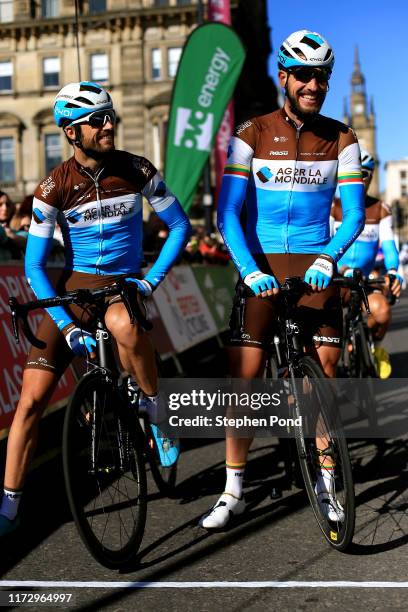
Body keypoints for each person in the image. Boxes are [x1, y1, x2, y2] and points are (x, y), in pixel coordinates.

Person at [0, 81, 191, 537]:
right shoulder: (53, 186)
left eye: (110, 117)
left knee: (124, 322)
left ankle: (155, 411)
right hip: (75, 291)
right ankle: (8, 505)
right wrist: (65, 325)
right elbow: (34, 266)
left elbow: (180, 225)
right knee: (30, 401)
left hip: (122, 286)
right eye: (96, 121)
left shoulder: (137, 168)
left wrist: (149, 281)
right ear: (71, 132)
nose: (108, 126)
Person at [200, 30, 365, 529]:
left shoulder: (343, 138)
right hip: (261, 265)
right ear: (285, 77)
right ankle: (234, 489)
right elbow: (228, 213)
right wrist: (249, 267)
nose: (315, 84)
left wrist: (330, 257)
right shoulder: (250, 131)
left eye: (323, 76)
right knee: (244, 380)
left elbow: (354, 216)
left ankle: (328, 480)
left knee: (325, 376)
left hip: (316, 264)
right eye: (306, 75)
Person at [331, 149, 402, 378]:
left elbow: (389, 246)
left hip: (363, 281)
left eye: (364, 174)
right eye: (352, 173)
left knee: (382, 312)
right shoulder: (332, 206)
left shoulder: (381, 209)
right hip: (334, 278)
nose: (359, 179)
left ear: (371, 176)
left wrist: (393, 271)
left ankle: (375, 347)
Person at [0, 191, 27, 259]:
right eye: (0, 204)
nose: (5, 208)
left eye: (8, 204)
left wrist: (9, 233)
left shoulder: (21, 226)